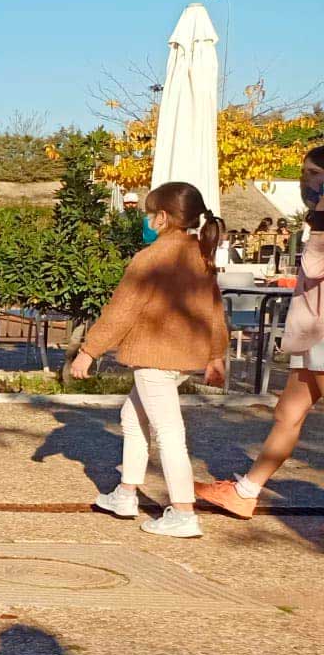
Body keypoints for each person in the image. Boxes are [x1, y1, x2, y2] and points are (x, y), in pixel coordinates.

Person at [71, 181, 229, 538]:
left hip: (154, 357)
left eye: (149, 213)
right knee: (132, 417)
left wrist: (88, 352)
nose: (147, 220)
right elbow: (215, 312)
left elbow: (121, 312)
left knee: (169, 433)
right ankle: (126, 494)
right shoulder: (201, 254)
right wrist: (216, 355)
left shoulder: (151, 258)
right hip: (183, 358)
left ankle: (184, 513)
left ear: (163, 217)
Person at [197, 145, 324, 519]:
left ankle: (245, 490)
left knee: (290, 413)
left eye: (312, 173)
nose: (305, 180)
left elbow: (316, 267)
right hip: (313, 333)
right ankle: (245, 491)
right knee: (288, 411)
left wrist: (319, 216)